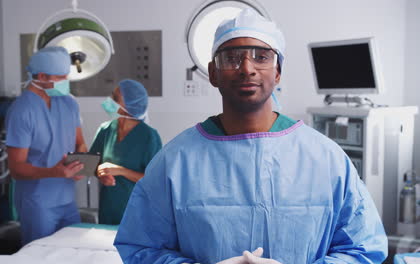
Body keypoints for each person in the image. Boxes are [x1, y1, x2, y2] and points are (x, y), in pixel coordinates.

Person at [113, 9, 387, 264]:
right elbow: (140, 248)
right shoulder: (174, 162)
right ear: (213, 73)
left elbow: (362, 250)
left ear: (278, 71)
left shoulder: (326, 159)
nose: (247, 68)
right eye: (231, 57)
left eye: (261, 56)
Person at [6, 46, 87, 245]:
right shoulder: (22, 111)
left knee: (73, 253)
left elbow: (81, 143)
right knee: (41, 256)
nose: (65, 82)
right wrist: (54, 172)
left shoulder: (69, 104)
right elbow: (16, 168)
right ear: (42, 76)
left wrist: (81, 163)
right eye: (61, 77)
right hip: (38, 203)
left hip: (67, 199)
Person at [89, 79, 162, 225]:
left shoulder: (148, 136)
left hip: (137, 211)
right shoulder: (106, 130)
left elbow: (155, 181)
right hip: (108, 208)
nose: (110, 101)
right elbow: (91, 164)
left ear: (129, 106)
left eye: (115, 99)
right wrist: (101, 175)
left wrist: (121, 171)